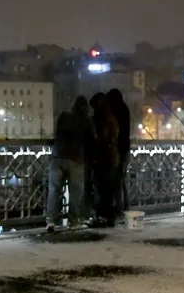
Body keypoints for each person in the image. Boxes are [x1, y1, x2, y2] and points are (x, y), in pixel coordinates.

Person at [46, 95, 95, 231]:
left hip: (57, 156)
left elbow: (57, 133)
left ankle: (51, 221)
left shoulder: (64, 116)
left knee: (54, 190)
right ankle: (73, 222)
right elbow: (91, 140)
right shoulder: (86, 120)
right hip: (76, 159)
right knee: (75, 192)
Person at [90, 92, 120, 227]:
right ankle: (109, 217)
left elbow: (100, 139)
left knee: (102, 189)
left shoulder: (102, 120)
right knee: (108, 189)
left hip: (103, 158)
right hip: (112, 158)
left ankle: (103, 217)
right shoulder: (112, 118)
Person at [106, 88, 132, 220]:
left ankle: (119, 210)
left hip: (118, 150)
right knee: (122, 182)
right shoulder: (125, 109)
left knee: (117, 182)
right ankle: (125, 209)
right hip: (126, 149)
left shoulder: (115, 112)